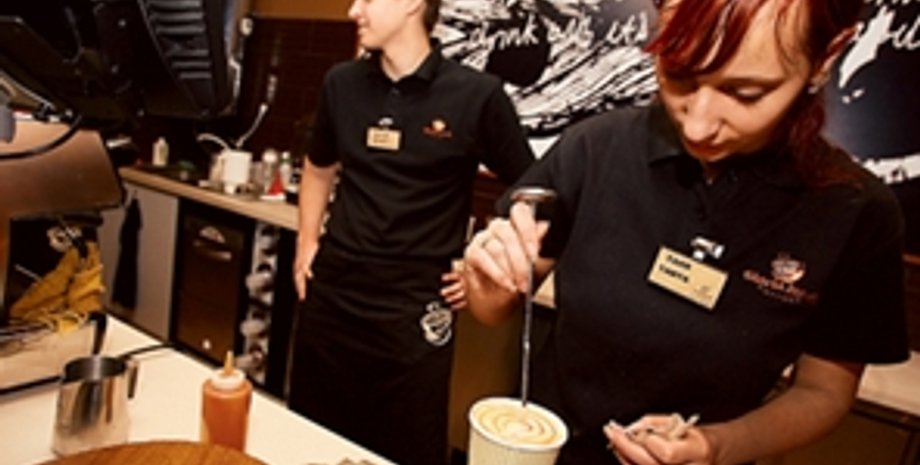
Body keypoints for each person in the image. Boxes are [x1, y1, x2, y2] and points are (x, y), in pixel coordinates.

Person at [462, 0, 910, 464]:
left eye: (745, 94)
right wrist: (490, 282)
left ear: (826, 57)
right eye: (679, 76)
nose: (698, 126)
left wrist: (717, 445)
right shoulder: (597, 147)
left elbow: (823, 391)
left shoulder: (856, 211)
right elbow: (492, 308)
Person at [287, 0, 535, 463]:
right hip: (334, 294)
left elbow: (531, 191)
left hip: (414, 307)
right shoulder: (341, 83)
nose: (353, 11)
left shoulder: (477, 95)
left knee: (405, 445)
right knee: (310, 439)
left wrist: (481, 262)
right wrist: (307, 241)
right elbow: (318, 167)